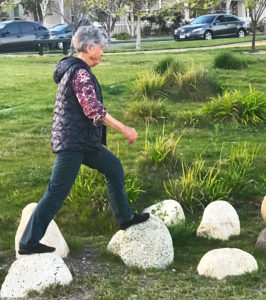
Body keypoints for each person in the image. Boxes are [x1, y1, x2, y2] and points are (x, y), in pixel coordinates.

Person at [18, 26, 149, 255]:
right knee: (56, 192)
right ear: (89, 47)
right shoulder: (80, 73)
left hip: (83, 141)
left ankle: (124, 218)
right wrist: (125, 129)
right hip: (72, 143)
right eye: (101, 48)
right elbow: (93, 110)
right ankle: (28, 242)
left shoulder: (77, 69)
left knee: (114, 167)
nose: (102, 53)